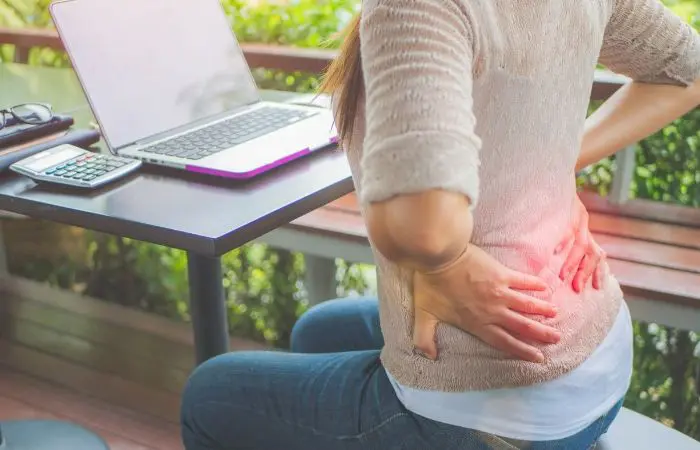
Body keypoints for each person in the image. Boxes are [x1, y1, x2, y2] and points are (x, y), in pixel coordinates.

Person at [181, 0, 700, 448]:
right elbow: (688, 71)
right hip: (598, 358)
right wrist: (552, 166)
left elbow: (425, 229)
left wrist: (445, 261)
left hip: (502, 410)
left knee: (207, 396)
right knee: (317, 329)